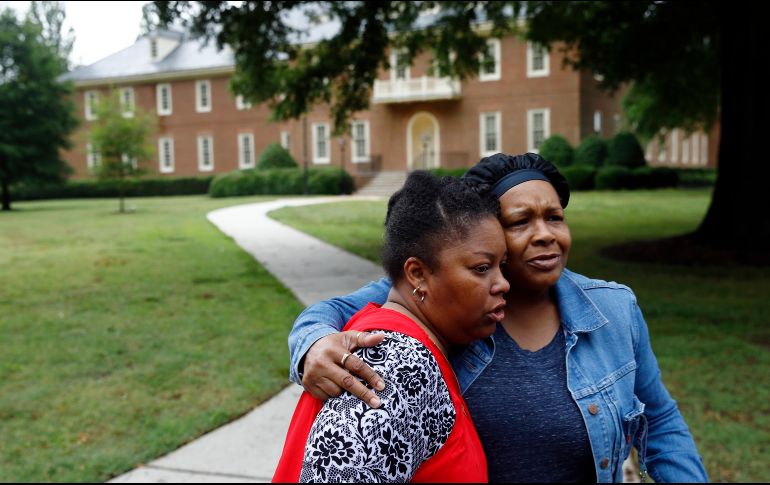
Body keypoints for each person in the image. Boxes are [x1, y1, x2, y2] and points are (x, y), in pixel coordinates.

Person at [287, 153, 709, 483]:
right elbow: (344, 309)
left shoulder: (613, 310)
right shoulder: (452, 306)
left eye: (555, 218)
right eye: (521, 221)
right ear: (484, 232)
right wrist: (312, 344)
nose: (545, 234)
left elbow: (661, 420)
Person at [273, 171, 509, 482]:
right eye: (481, 268)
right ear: (418, 274)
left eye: (501, 266)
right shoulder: (397, 364)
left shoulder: (393, 339)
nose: (503, 284)